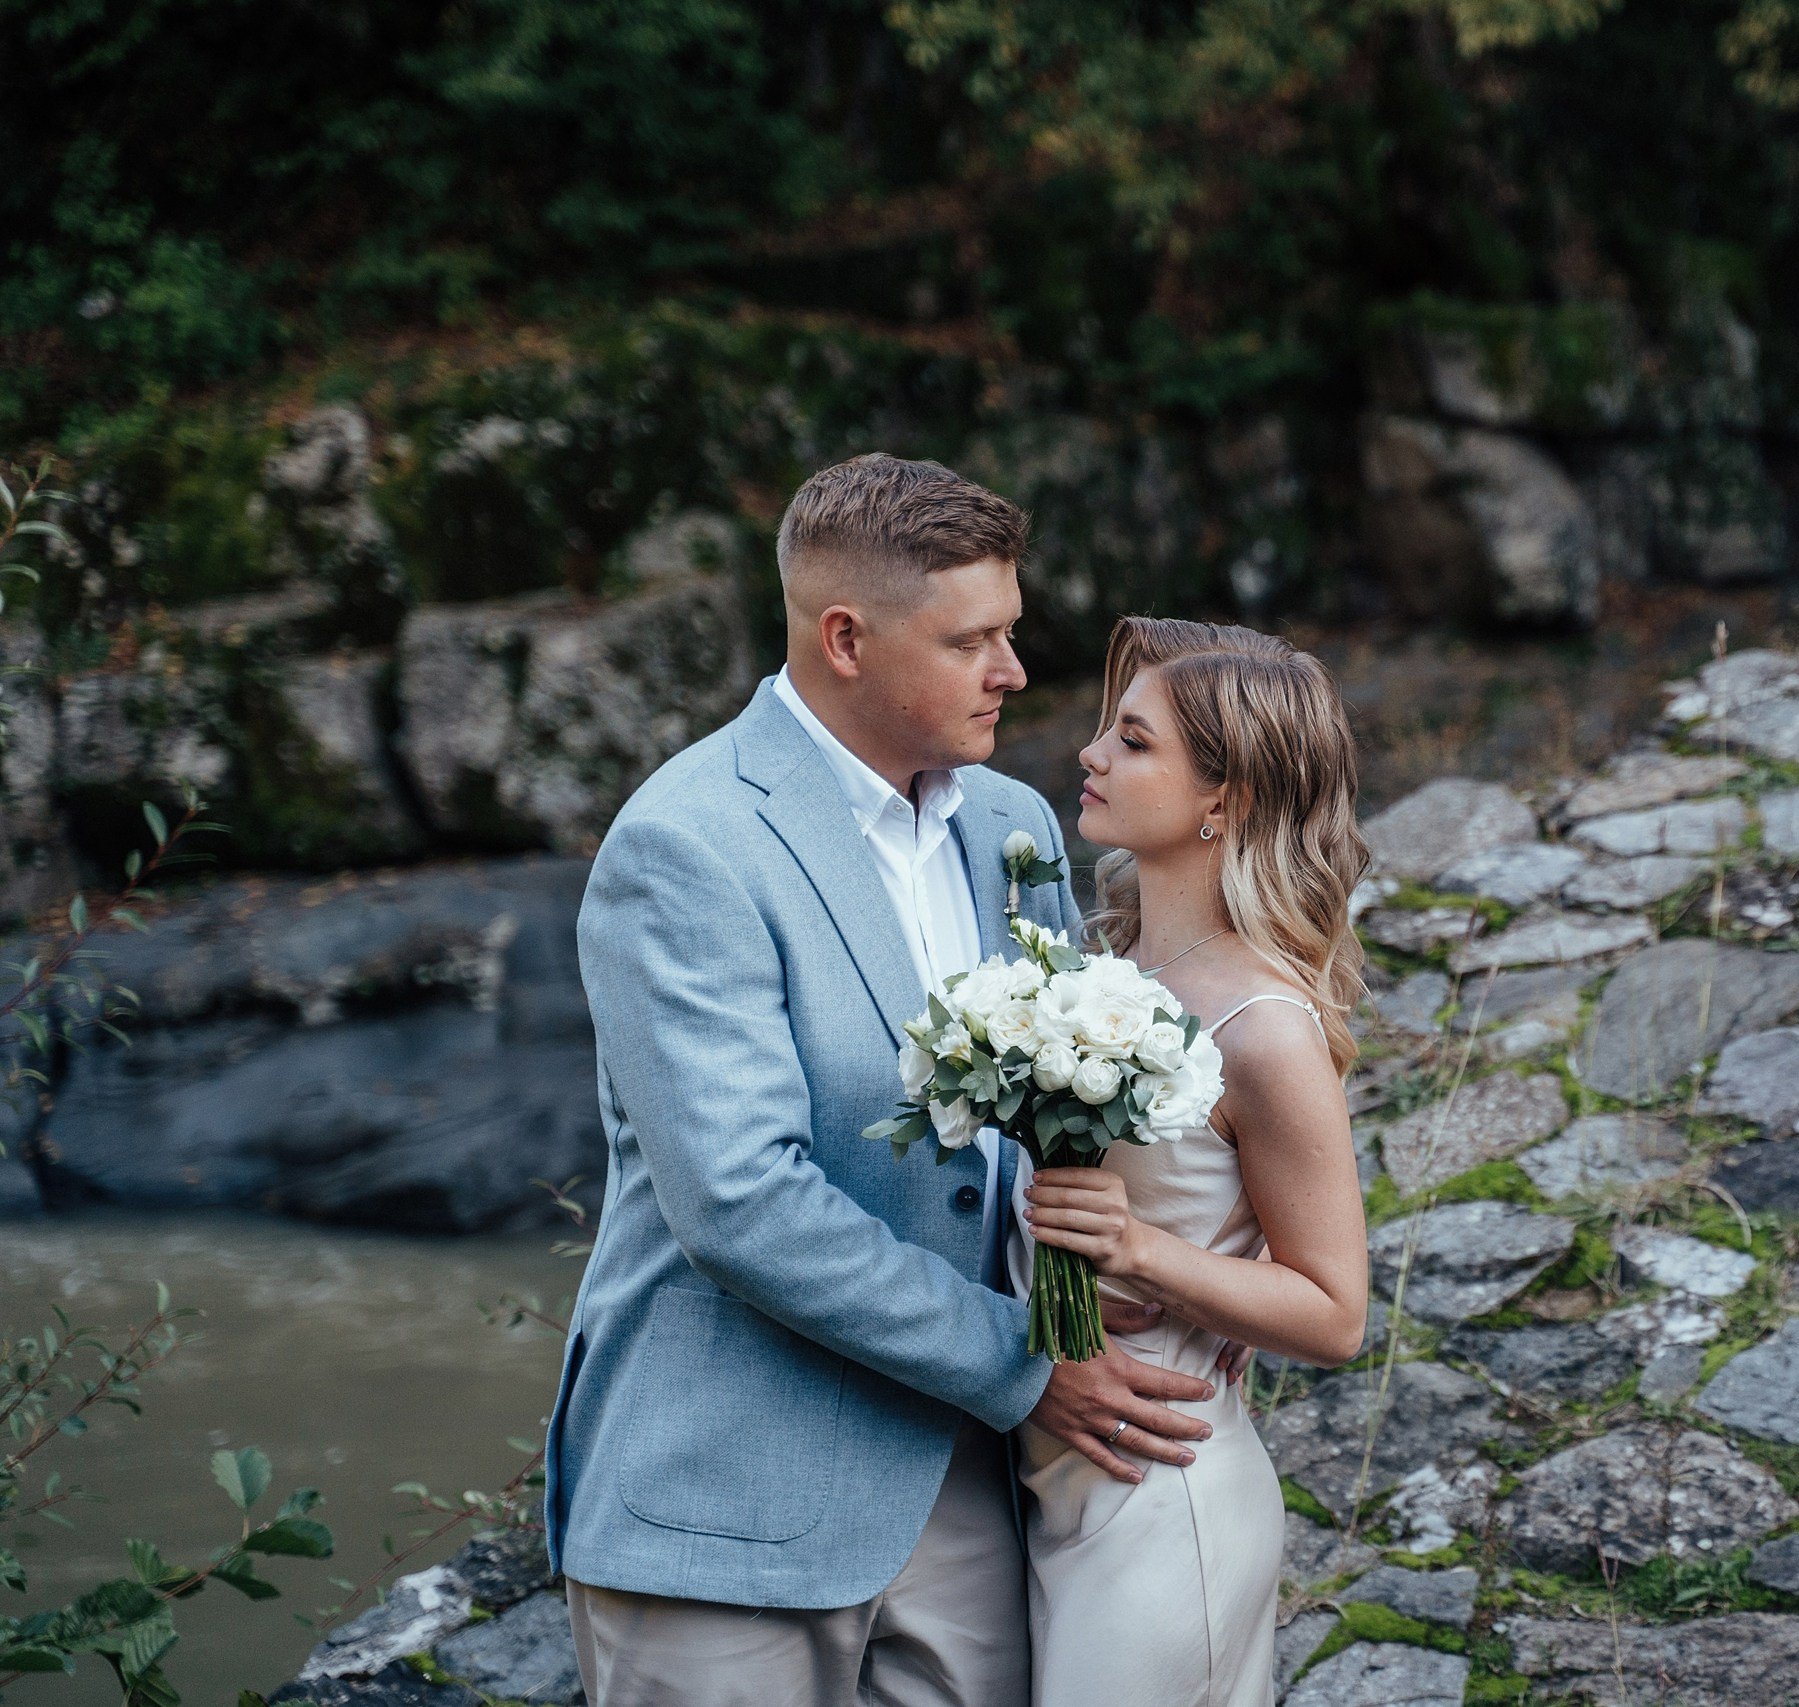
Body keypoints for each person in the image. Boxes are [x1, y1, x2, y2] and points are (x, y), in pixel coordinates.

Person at [546, 455, 1222, 1707]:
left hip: (959, 1491)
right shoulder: (687, 846)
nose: (1012, 672)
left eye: (1011, 633)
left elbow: (1062, 1111)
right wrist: (1029, 1366)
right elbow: (741, 1203)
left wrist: (1173, 1281)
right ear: (844, 638)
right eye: (972, 641)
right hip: (727, 1503)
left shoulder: (1009, 825)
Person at [1014, 615, 1374, 1707]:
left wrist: (1138, 1249)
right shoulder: (1088, 963)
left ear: (1227, 800)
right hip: (1043, 1474)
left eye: (1133, 741)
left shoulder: (1265, 1026)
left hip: (1161, 1495)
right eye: (1105, 732)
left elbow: (1334, 1311)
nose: (1090, 753)